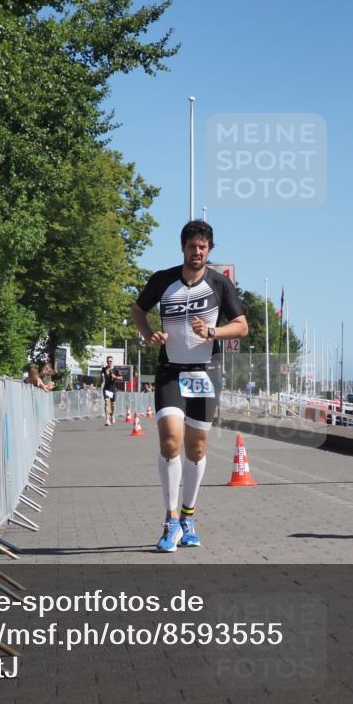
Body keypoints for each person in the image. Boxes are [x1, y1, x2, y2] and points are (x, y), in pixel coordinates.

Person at [131, 220, 248, 552]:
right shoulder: (162, 280)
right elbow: (138, 310)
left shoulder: (219, 284)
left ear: (209, 249)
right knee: (170, 439)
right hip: (170, 370)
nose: (196, 252)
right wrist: (147, 333)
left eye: (202, 247)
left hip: (204, 371)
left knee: (196, 449)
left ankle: (188, 517)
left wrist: (214, 332)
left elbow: (241, 327)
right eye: (191, 246)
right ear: (182, 247)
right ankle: (169, 521)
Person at [99, 356, 124, 426]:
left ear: (112, 361)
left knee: (112, 404)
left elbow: (121, 378)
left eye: (110, 361)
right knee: (107, 402)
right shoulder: (104, 369)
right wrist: (101, 376)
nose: (109, 362)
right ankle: (107, 420)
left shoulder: (116, 369)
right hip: (106, 388)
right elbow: (101, 379)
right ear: (106, 361)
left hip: (112, 389)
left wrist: (115, 377)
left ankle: (112, 415)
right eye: (108, 361)